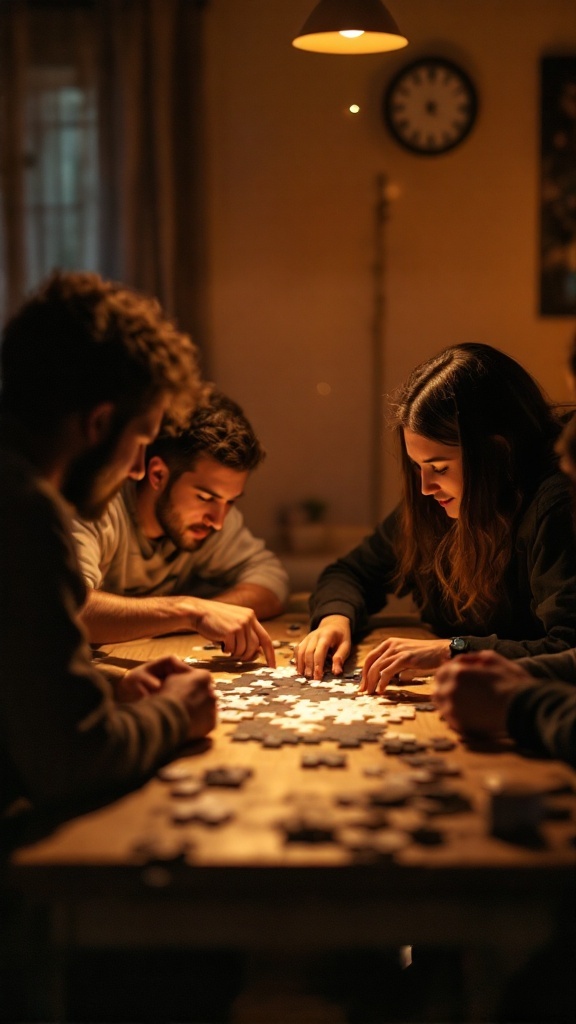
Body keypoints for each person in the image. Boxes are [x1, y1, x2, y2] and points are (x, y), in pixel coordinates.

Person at [0, 270, 217, 815]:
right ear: (98, 422)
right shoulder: (24, 509)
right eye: (140, 441)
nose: (140, 468)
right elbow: (73, 762)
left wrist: (99, 686)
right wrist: (174, 714)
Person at [296, 343, 576, 690]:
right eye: (417, 467)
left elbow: (567, 649)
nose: (426, 487)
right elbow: (351, 572)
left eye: (439, 468)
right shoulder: (437, 503)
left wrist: (453, 650)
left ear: (497, 451)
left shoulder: (558, 505)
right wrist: (333, 619)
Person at [71, 385, 287, 664]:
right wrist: (190, 612)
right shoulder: (97, 506)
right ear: (158, 474)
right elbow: (68, 607)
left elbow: (272, 580)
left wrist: (211, 612)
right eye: (205, 497)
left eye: (231, 501)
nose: (219, 521)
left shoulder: (210, 519)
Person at [434, 371, 576, 768]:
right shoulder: (451, 498)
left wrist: (516, 700)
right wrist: (489, 670)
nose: (425, 486)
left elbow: (565, 639)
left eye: (439, 467)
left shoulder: (550, 502)